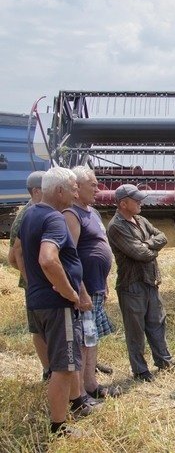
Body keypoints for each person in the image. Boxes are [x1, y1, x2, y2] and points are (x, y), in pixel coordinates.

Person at [15, 167, 95, 436]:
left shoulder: (30, 214)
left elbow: (19, 255)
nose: (76, 192)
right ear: (59, 191)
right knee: (62, 367)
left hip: (38, 299)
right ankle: (59, 426)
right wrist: (71, 294)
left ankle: (76, 404)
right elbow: (48, 259)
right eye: (73, 188)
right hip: (57, 304)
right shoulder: (54, 219)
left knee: (64, 362)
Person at [107, 184, 175, 382]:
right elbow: (140, 254)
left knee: (157, 322)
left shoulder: (140, 220)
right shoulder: (116, 226)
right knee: (135, 329)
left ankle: (164, 361)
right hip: (131, 284)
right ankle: (140, 370)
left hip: (150, 280)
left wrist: (148, 245)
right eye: (136, 199)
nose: (140, 202)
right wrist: (149, 249)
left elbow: (162, 237)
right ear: (123, 204)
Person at [63, 166, 120, 398]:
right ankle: (81, 392)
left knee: (91, 337)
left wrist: (104, 281)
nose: (98, 188)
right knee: (83, 341)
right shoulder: (71, 214)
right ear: (77, 189)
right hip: (83, 289)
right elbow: (70, 255)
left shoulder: (92, 212)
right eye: (93, 184)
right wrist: (81, 290)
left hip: (96, 286)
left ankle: (91, 384)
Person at [8, 170, 51, 380]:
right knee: (39, 328)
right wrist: (32, 278)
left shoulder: (42, 211)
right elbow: (13, 256)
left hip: (46, 281)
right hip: (36, 284)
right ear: (36, 191)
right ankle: (48, 370)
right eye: (48, 188)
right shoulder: (25, 215)